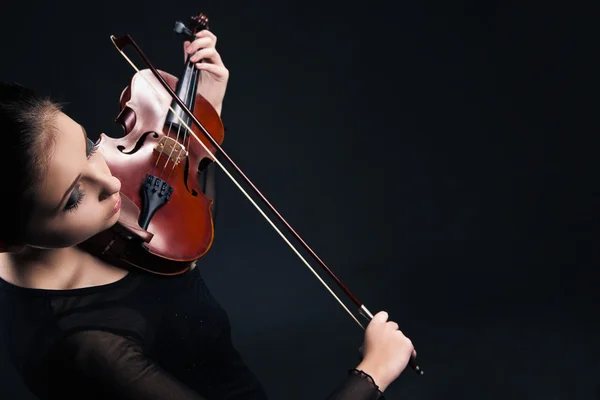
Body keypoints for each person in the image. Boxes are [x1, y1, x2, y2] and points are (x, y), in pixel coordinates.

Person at [0, 27, 416, 400]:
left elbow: (180, 224)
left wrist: (197, 127)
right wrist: (373, 373)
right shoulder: (90, 350)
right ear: (10, 240)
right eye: (74, 197)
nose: (110, 182)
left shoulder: (72, 224)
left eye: (90, 146)